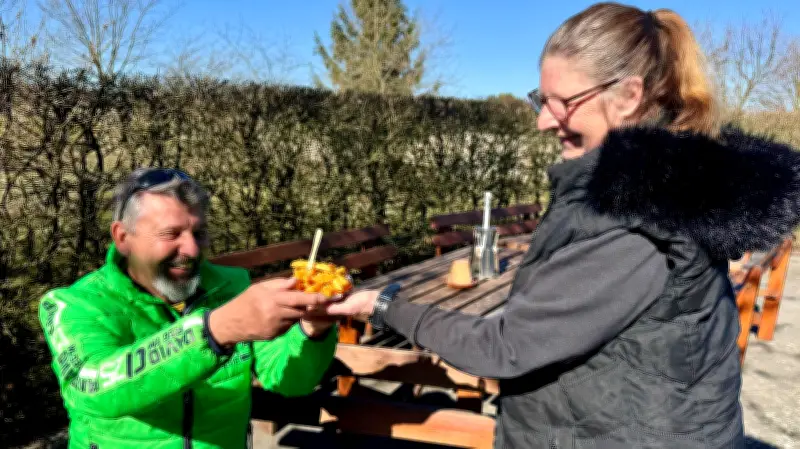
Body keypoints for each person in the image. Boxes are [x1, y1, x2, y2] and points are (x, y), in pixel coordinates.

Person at [326, 3, 800, 448]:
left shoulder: (643, 215)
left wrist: (382, 304)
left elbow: (505, 346)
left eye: (561, 101)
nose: (542, 121)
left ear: (629, 97)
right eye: (541, 99)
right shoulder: (659, 190)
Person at [39, 168, 338, 449]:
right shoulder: (74, 304)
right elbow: (93, 389)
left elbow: (289, 380)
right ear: (122, 238)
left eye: (199, 233)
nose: (192, 250)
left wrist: (312, 330)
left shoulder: (231, 286)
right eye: (171, 234)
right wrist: (214, 331)